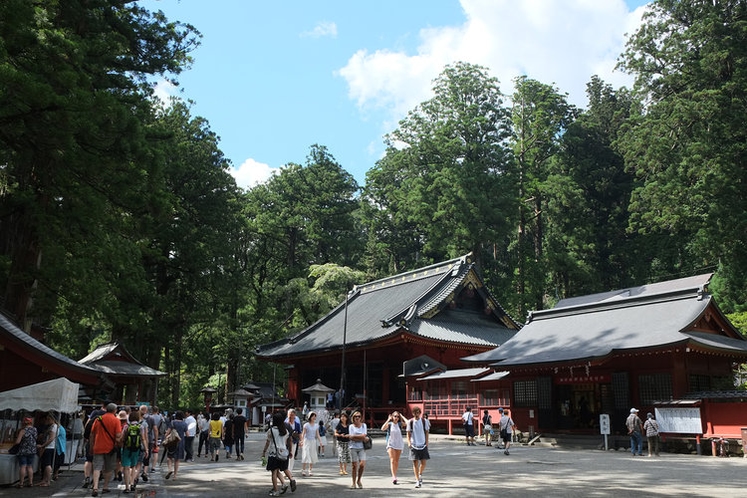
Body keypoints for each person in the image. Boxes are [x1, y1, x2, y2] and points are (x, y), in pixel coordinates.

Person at [262, 412, 297, 496]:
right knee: (283, 468)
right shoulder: (285, 430)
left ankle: (276, 490)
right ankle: (288, 481)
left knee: (274, 472)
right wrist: (291, 451)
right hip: (283, 452)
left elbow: (267, 442)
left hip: (274, 453)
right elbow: (288, 440)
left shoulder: (271, 430)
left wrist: (264, 452)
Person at [90, 402, 121, 497]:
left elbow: (92, 434)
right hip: (110, 448)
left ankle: (95, 487)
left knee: (97, 467)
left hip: (98, 446)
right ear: (115, 411)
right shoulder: (116, 420)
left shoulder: (98, 419)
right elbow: (118, 436)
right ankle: (105, 487)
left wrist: (91, 446)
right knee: (109, 468)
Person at [82, 401, 108, 489]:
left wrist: (86, 436)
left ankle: (87, 478)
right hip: (103, 441)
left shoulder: (95, 413)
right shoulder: (109, 415)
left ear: (102, 405)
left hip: (91, 439)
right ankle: (96, 478)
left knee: (88, 459)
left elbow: (87, 424)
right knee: (99, 461)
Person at [407, 406, 430, 489]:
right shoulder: (410, 422)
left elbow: (427, 432)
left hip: (423, 444)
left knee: (423, 463)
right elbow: (408, 433)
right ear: (413, 413)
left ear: (420, 413)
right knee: (415, 463)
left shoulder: (424, 421)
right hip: (414, 444)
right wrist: (409, 442)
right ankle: (417, 480)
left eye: (418, 413)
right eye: (414, 413)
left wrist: (427, 442)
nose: (416, 414)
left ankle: (420, 474)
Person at [382, 411, 406, 485]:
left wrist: (402, 417)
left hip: (398, 443)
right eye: (395, 416)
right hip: (391, 443)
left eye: (397, 416)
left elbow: (408, 424)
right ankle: (394, 476)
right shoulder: (389, 424)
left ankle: (395, 473)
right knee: (392, 460)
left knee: (396, 461)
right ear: (392, 417)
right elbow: (382, 428)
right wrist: (388, 419)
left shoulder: (399, 424)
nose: (396, 418)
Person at [14, 416, 37, 488]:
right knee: (30, 466)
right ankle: (30, 482)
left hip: (23, 451)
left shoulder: (23, 430)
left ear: (24, 422)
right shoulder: (35, 429)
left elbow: (17, 442)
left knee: (23, 466)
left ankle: (21, 483)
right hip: (32, 450)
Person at [121, 411, 141, 493]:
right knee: (133, 466)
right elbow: (143, 438)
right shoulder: (140, 427)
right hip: (136, 449)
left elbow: (122, 438)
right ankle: (132, 483)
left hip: (126, 448)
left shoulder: (126, 427)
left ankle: (127, 487)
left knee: (126, 467)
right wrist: (146, 449)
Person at [36, 412, 58, 487]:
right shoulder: (52, 426)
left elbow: (51, 438)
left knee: (47, 464)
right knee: (45, 464)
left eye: (48, 419)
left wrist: (43, 446)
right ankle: (44, 480)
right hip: (49, 447)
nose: (46, 421)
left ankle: (47, 481)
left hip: (49, 447)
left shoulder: (53, 427)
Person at [347, 410, 368, 489]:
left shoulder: (364, 425)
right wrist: (361, 437)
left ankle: (359, 480)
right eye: (356, 416)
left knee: (362, 465)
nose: (357, 418)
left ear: (361, 417)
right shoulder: (351, 426)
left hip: (362, 447)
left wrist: (355, 437)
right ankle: (353, 482)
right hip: (353, 447)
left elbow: (363, 435)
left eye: (359, 416)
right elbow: (352, 438)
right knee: (354, 466)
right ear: (353, 418)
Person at [165, 410, 187, 481]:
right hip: (180, 442)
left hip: (172, 442)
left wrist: (166, 437)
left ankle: (170, 469)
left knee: (169, 457)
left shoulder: (172, 422)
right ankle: (175, 475)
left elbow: (168, 432)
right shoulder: (184, 424)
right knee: (177, 460)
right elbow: (187, 434)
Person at [300, 411, 322, 476]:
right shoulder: (306, 425)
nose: (314, 417)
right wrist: (301, 441)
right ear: (310, 417)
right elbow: (303, 434)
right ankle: (303, 470)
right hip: (306, 441)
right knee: (306, 454)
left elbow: (317, 434)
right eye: (313, 416)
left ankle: (310, 470)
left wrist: (320, 441)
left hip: (313, 441)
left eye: (315, 416)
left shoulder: (316, 425)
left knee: (312, 455)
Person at [285, 409, 302, 473]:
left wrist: (301, 440)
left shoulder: (297, 424)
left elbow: (299, 433)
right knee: (285, 456)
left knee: (292, 456)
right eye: (289, 414)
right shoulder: (285, 423)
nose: (290, 416)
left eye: (292, 415)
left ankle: (290, 471)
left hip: (294, 441)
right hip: (286, 442)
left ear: (294, 415)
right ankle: (285, 470)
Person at [53, 415, 67, 481]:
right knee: (57, 463)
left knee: (56, 462)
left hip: (58, 447)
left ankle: (55, 474)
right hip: (61, 447)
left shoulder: (57, 428)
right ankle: (56, 474)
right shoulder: (61, 428)